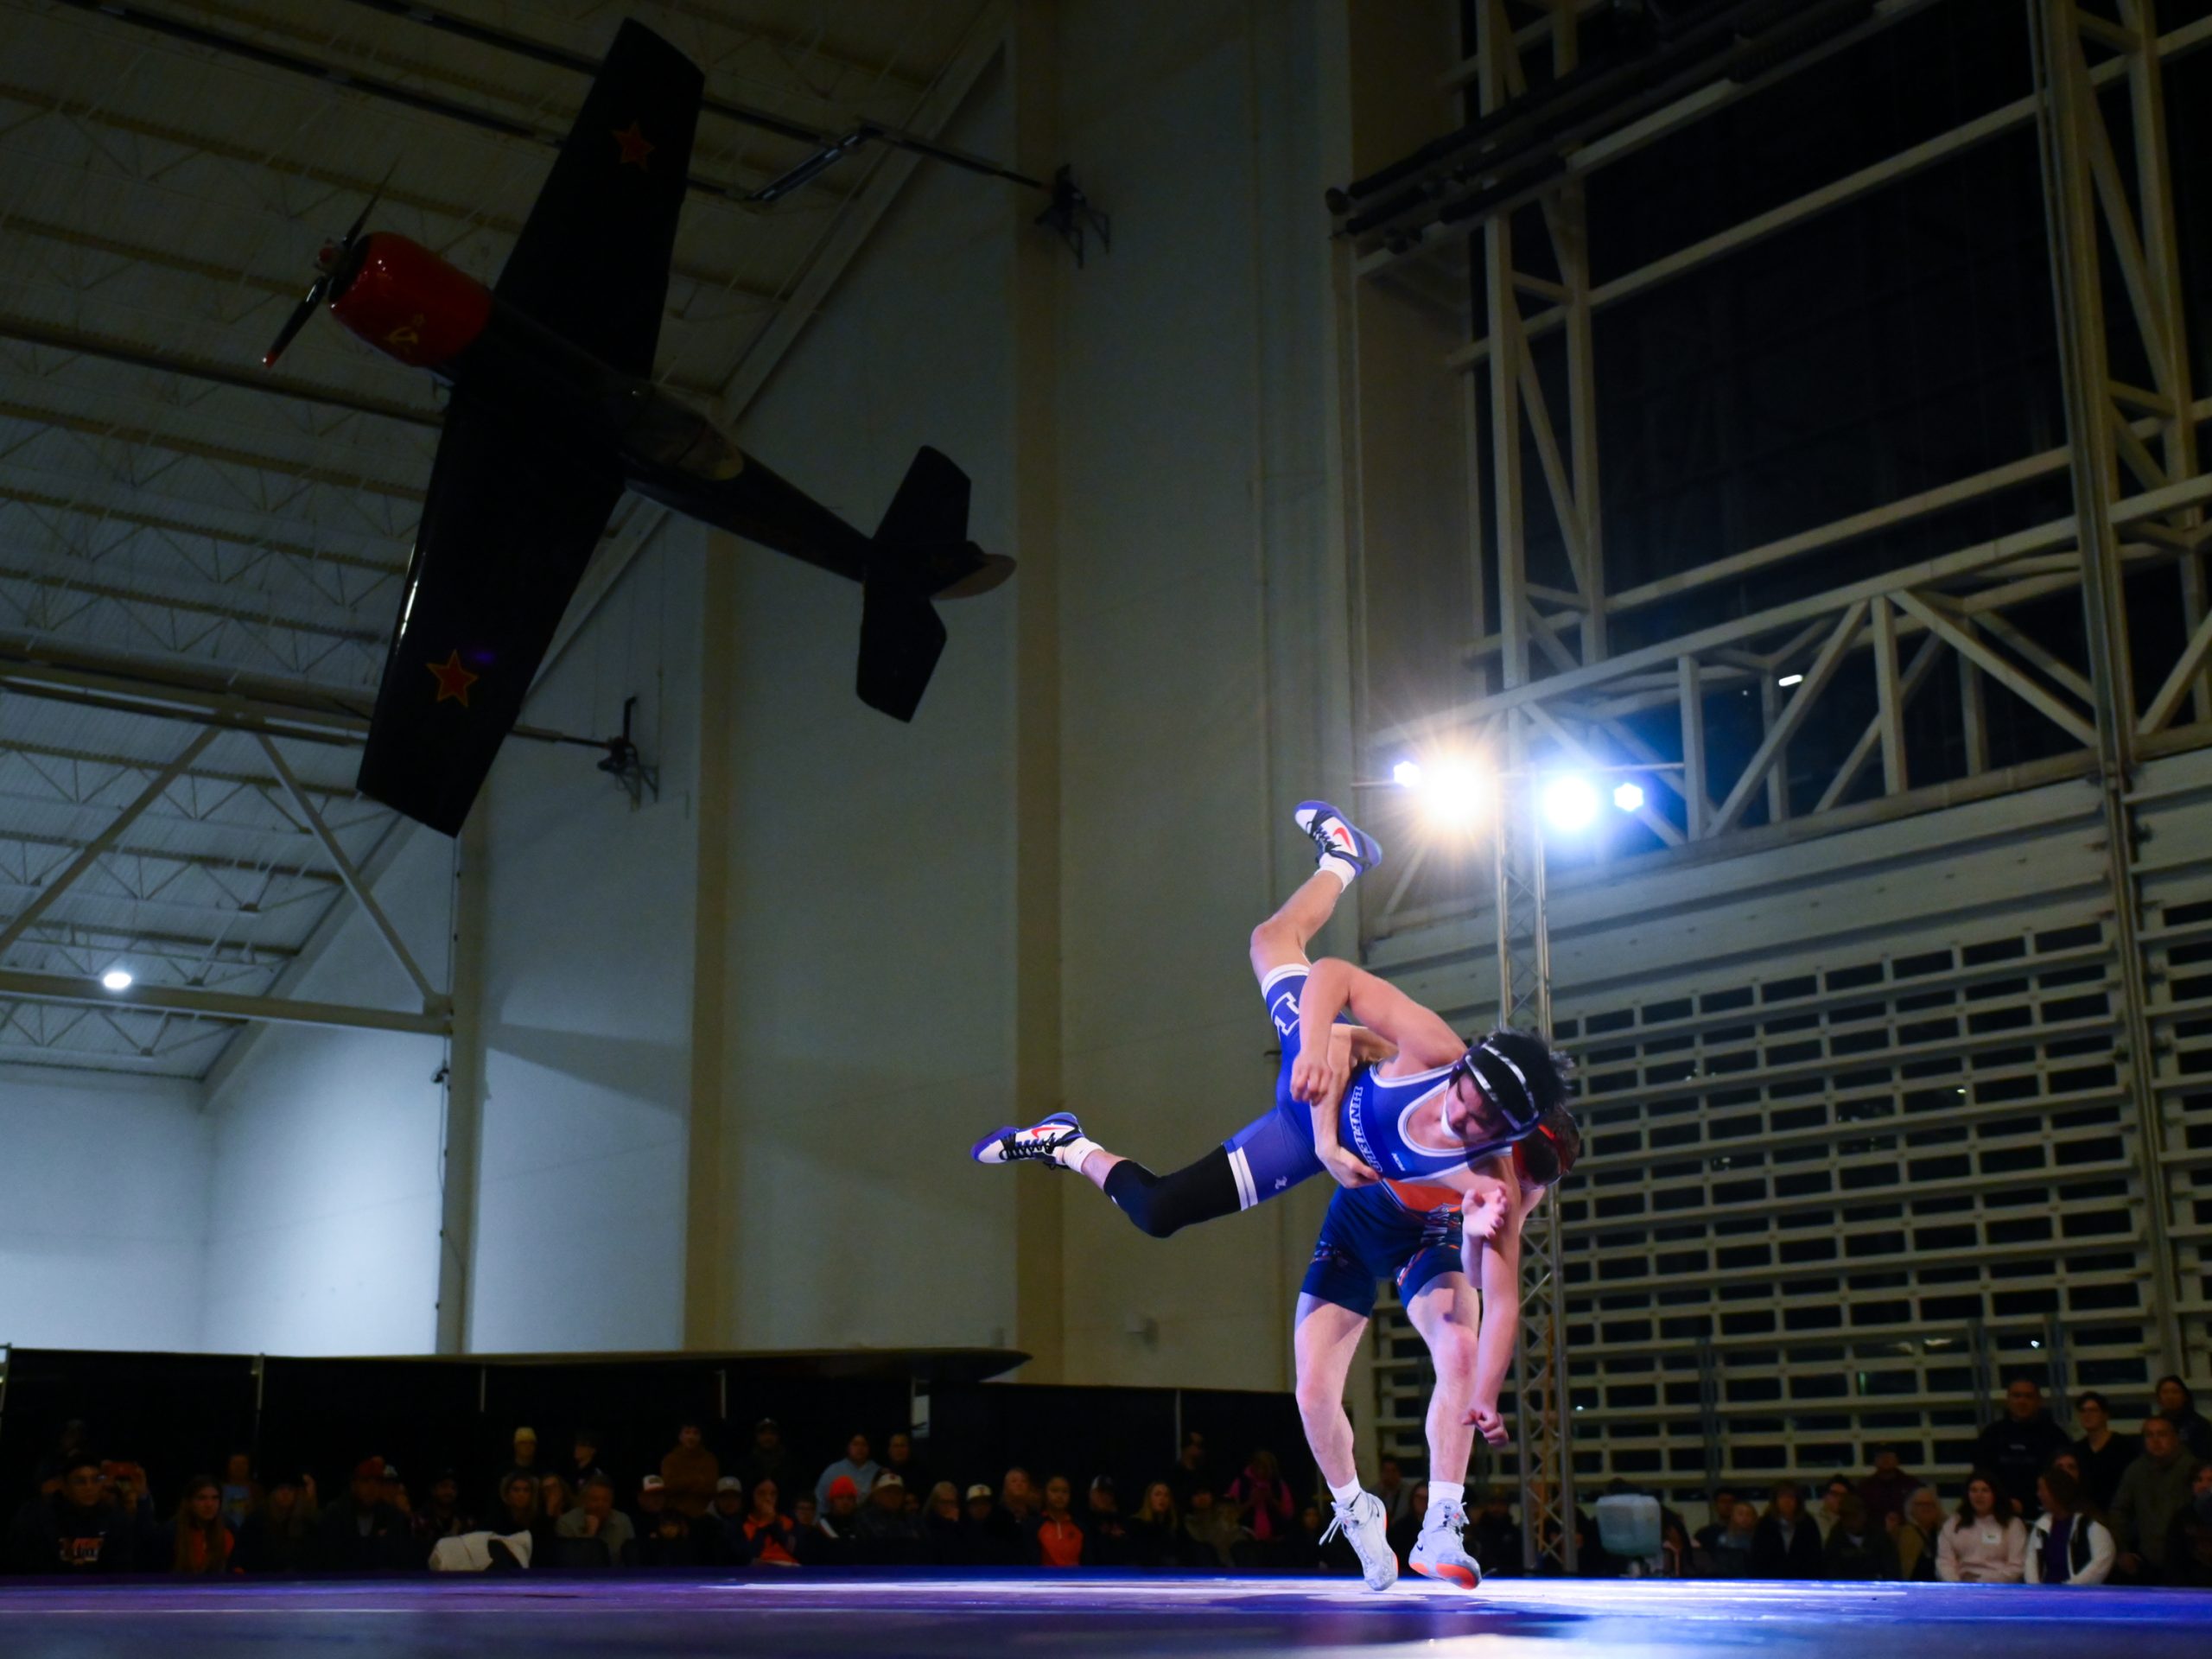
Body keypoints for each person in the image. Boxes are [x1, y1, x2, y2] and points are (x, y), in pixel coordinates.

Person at [970, 798, 1571, 1250]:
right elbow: (1339, 1016)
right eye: (1470, 1106)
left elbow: (1497, 1282)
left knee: (1157, 1212)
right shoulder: (1443, 1060)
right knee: (1270, 941)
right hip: (1318, 1084)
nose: (1465, 1122)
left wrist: (1480, 1233)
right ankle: (1344, 859)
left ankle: (1066, 1144)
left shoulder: (1494, 1178)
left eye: (1484, 1126)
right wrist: (1324, 1116)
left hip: (1296, 1136)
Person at [2108, 1413, 2202, 1583]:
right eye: (2149, 1435)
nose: (2156, 1440)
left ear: (2175, 1438)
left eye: (2162, 1434)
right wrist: (2122, 1550)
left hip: (2189, 1562)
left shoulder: (2192, 1468)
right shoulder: (2136, 1470)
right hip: (2148, 1561)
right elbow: (2119, 1511)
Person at [8, 1453, 139, 1573]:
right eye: (80, 1481)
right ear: (64, 1486)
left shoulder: (115, 1520)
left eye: (95, 1480)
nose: (89, 1487)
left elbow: (122, 1570)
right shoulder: (39, 1519)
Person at [1972, 1378, 2069, 1521]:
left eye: (2028, 1396)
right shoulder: (1991, 1435)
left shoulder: (2055, 1436)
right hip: (1999, 1513)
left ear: (2039, 1401)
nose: (2022, 1401)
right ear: (2008, 1400)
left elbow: (2063, 1480)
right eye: (2017, 1396)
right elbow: (1981, 1476)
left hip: (2045, 1514)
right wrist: (2002, 1503)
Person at [316, 1456, 416, 1572]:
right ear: (353, 1485)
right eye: (365, 1481)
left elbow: (401, 1560)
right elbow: (327, 1559)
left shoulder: (392, 1517)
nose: (371, 1488)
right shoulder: (335, 1515)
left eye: (377, 1482)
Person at [2025, 1465, 2113, 1586]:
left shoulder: (2090, 1526)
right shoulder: (2041, 1526)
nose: (2039, 1494)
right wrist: (2036, 1589)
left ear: (2057, 1491)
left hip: (2078, 1593)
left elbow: (2101, 1561)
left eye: (2042, 1490)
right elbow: (2031, 1560)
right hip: (2045, 1592)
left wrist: (2069, 1587)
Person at [1935, 1472, 2025, 1583]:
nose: (1979, 1495)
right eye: (1974, 1490)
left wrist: (1983, 1581)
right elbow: (1944, 1561)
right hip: (1961, 1584)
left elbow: (2017, 1565)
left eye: (1985, 1490)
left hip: (1999, 1586)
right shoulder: (1953, 1523)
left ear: (1995, 1494)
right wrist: (1956, 1583)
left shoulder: (2013, 1524)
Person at [1224, 1451, 1294, 1569]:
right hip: (1246, 1543)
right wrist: (1250, 1502)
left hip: (1275, 1543)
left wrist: (1271, 1500)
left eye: (1266, 1468)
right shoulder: (1241, 1483)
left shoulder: (1278, 1484)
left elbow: (1289, 1513)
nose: (1262, 1471)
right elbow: (1229, 1515)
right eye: (1259, 1466)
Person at [2072, 1391, 2134, 1514]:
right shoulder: (2077, 1450)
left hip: (2120, 1512)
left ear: (2105, 1415)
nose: (2087, 1415)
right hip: (2087, 1513)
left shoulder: (2123, 1446)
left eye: (2093, 1410)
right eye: (2083, 1411)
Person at [556, 1477, 635, 1567]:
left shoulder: (623, 1521)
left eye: (605, 1500)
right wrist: (590, 1534)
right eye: (595, 1499)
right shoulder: (566, 1523)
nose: (600, 1505)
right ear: (585, 1501)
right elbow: (573, 1565)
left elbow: (632, 1561)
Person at [1749, 1482, 1823, 1579]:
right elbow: (1757, 1557)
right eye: (1782, 1497)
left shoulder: (1808, 1524)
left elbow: (1816, 1557)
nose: (1786, 1501)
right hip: (1771, 1580)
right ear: (1775, 1500)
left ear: (1798, 1501)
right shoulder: (1765, 1524)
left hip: (1803, 1580)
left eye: (1791, 1497)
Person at [164, 1476, 233, 1577]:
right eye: (202, 1498)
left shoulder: (228, 1529)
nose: (209, 1504)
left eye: (215, 1498)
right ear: (189, 1502)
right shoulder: (171, 1532)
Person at [1821, 1492, 1896, 1580]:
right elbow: (1830, 1571)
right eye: (1846, 1517)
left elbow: (1891, 1570)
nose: (1850, 1521)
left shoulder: (1880, 1537)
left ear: (1864, 1515)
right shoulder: (1835, 1538)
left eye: (1854, 1516)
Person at [855, 1471, 924, 1565]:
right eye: (887, 1492)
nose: (893, 1496)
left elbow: (924, 1544)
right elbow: (882, 1544)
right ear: (877, 1495)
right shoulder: (865, 1516)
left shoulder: (911, 1518)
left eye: (897, 1493)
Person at [660, 1422, 719, 1519]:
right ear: (680, 1437)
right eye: (687, 1432)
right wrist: (697, 1479)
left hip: (704, 1515)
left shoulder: (709, 1459)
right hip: (676, 1515)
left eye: (695, 1433)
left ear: (700, 1437)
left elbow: (711, 1487)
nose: (691, 1437)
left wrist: (682, 1483)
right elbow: (669, 1486)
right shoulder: (670, 1459)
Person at [410, 1471, 475, 1559]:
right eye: (444, 1486)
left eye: (453, 1488)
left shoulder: (466, 1521)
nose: (449, 1491)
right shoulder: (419, 1520)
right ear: (433, 1490)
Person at [1126, 1481, 1189, 1567]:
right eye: (1158, 1494)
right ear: (1149, 1499)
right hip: (1144, 1570)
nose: (1162, 1498)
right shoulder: (1136, 1524)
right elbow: (1140, 1555)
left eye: (1166, 1495)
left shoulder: (1175, 1524)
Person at [742, 1478, 800, 1567]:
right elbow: (748, 1556)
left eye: (773, 1494)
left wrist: (775, 1524)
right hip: (756, 1571)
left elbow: (798, 1551)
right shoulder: (741, 1524)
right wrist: (764, 1523)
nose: (768, 1498)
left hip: (789, 1570)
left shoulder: (789, 1521)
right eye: (761, 1493)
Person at [816, 1433, 883, 1511]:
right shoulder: (833, 1471)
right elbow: (820, 1500)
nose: (860, 1448)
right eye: (855, 1444)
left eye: (864, 1444)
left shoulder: (878, 1471)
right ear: (848, 1447)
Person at [1857, 1447, 1916, 1531]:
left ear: (1897, 1460)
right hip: (1873, 1533)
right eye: (1881, 1456)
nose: (1885, 1459)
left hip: (1908, 1532)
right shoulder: (1865, 1487)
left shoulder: (1911, 1484)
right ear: (1874, 1462)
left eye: (1889, 1456)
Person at [2155, 1376, 2212, 1463]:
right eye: (2165, 1392)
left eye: (2175, 1392)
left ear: (2185, 1397)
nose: (2170, 1397)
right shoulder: (2155, 1425)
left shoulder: (2200, 1424)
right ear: (2159, 1398)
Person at [1185, 1486, 1245, 1567]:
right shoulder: (1188, 1523)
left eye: (1204, 1493)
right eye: (1196, 1494)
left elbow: (1237, 1536)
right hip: (1207, 1567)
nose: (1202, 1497)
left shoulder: (1224, 1513)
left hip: (1237, 1562)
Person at [1469, 1486, 1523, 1576]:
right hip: (1482, 1577)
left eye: (1501, 1504)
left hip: (1510, 1578)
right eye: (1492, 1503)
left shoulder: (1515, 1533)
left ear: (1507, 1506)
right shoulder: (1476, 1532)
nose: (1496, 1508)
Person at [736, 1419, 798, 1498]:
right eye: (763, 1433)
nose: (768, 1437)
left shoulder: (790, 1464)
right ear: (757, 1437)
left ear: (778, 1437)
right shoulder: (745, 1465)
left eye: (772, 1433)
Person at [1034, 1475, 1085, 1567]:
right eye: (1054, 1490)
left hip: (1076, 1576)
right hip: (1044, 1576)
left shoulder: (1080, 1527)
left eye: (1065, 1491)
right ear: (1045, 1494)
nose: (1060, 1496)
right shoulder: (1034, 1526)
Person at [1895, 1486, 1944, 1581]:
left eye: (1930, 1504)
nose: (1926, 1507)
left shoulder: (1945, 1531)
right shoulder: (1902, 1533)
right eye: (1920, 1504)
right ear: (1911, 1508)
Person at [1084, 1477, 1131, 1567]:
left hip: (1118, 1572)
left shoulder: (1121, 1521)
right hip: (1090, 1572)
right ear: (1091, 1493)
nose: (1105, 1496)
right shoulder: (1082, 1520)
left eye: (1109, 1493)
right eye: (1100, 1492)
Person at [1706, 1500, 1758, 1578]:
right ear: (1732, 1516)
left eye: (1748, 1514)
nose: (1745, 1518)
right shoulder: (1724, 1539)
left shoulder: (1759, 1539)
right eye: (1740, 1514)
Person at [216, 1452, 260, 1535]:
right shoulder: (217, 1488)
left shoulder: (256, 1490)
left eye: (243, 1463)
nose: (239, 1467)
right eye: (235, 1463)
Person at [568, 1431, 608, 1497]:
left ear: (592, 1450)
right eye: (577, 1444)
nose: (577, 1448)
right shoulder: (572, 1472)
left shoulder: (596, 1474)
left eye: (583, 1445)